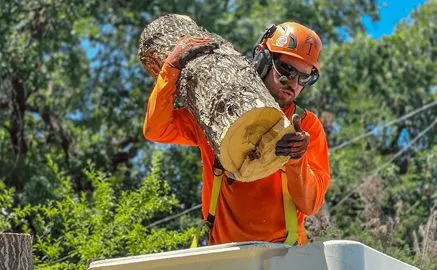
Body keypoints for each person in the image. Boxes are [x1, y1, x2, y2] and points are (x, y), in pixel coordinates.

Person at [142, 22, 330, 246]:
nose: (293, 82)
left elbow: (311, 204)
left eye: (305, 77)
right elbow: (156, 129)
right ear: (262, 59)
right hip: (222, 253)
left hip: (283, 255)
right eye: (286, 69)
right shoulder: (218, 112)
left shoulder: (307, 126)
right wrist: (171, 69)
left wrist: (296, 160)